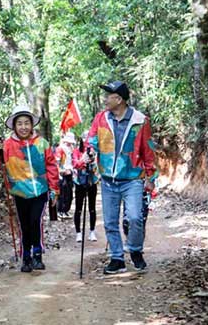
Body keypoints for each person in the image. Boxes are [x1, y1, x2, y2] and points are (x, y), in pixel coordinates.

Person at [88, 81, 158, 274]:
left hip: (132, 178)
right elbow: (93, 140)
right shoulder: (101, 118)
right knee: (110, 222)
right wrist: (90, 152)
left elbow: (148, 149)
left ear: (118, 99)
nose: (105, 99)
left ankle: (135, 250)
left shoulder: (140, 120)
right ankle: (117, 258)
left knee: (135, 217)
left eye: (108, 96)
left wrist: (151, 177)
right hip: (108, 179)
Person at [0, 105, 60, 273]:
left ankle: (37, 255)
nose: (23, 127)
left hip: (40, 191)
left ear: (32, 125)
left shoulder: (41, 143)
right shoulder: (6, 145)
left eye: (26, 123)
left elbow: (51, 166)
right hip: (19, 192)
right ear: (14, 126)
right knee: (24, 224)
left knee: (35, 221)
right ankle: (26, 257)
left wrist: (54, 189)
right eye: (19, 123)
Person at [72, 131, 99, 243]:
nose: (87, 141)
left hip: (92, 181)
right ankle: (78, 232)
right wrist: (83, 160)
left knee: (92, 208)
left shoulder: (95, 151)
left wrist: (93, 161)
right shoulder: (76, 151)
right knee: (78, 208)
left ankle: (92, 231)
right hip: (80, 182)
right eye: (85, 138)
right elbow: (75, 164)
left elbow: (98, 166)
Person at [56, 132, 76, 219]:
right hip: (62, 174)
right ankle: (60, 211)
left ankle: (66, 210)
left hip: (70, 173)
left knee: (69, 193)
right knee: (62, 194)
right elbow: (56, 162)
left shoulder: (71, 149)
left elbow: (71, 161)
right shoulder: (60, 149)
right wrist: (62, 171)